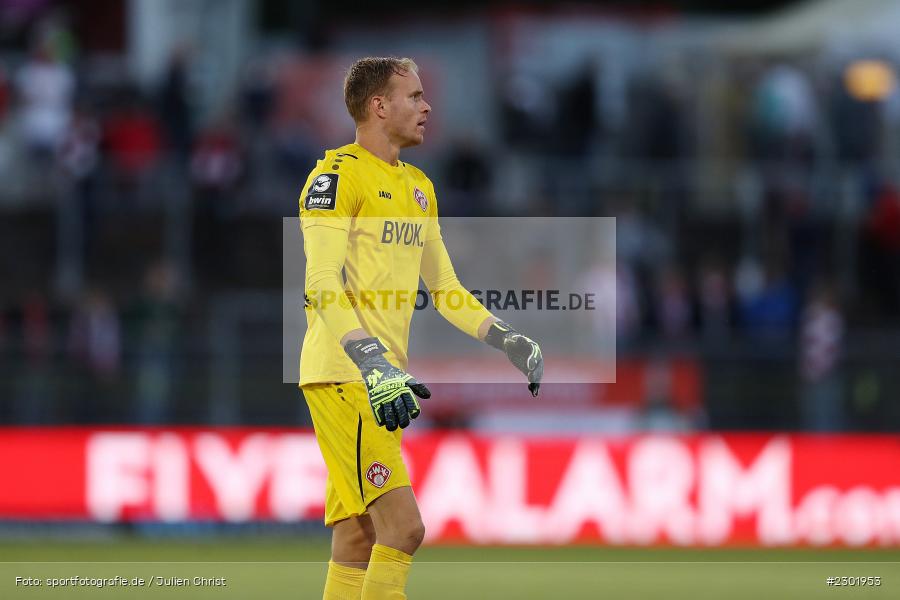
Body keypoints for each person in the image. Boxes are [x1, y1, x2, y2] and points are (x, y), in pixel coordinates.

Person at [298, 56, 543, 600]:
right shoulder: (335, 177)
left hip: (383, 383)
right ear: (378, 106)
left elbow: (447, 290)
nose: (427, 106)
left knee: (357, 539)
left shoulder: (419, 188)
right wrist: (370, 360)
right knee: (404, 529)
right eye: (413, 96)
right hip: (348, 375)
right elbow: (319, 280)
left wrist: (506, 337)